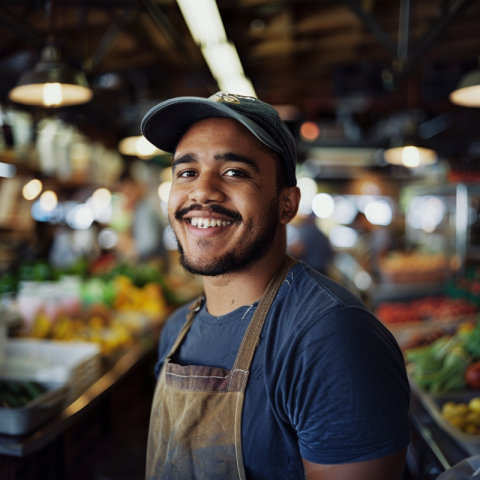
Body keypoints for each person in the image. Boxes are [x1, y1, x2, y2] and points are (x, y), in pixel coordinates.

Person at [141, 91, 410, 480]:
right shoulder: (177, 330)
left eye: (235, 172)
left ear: (287, 203)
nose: (201, 191)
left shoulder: (332, 339)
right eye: (187, 172)